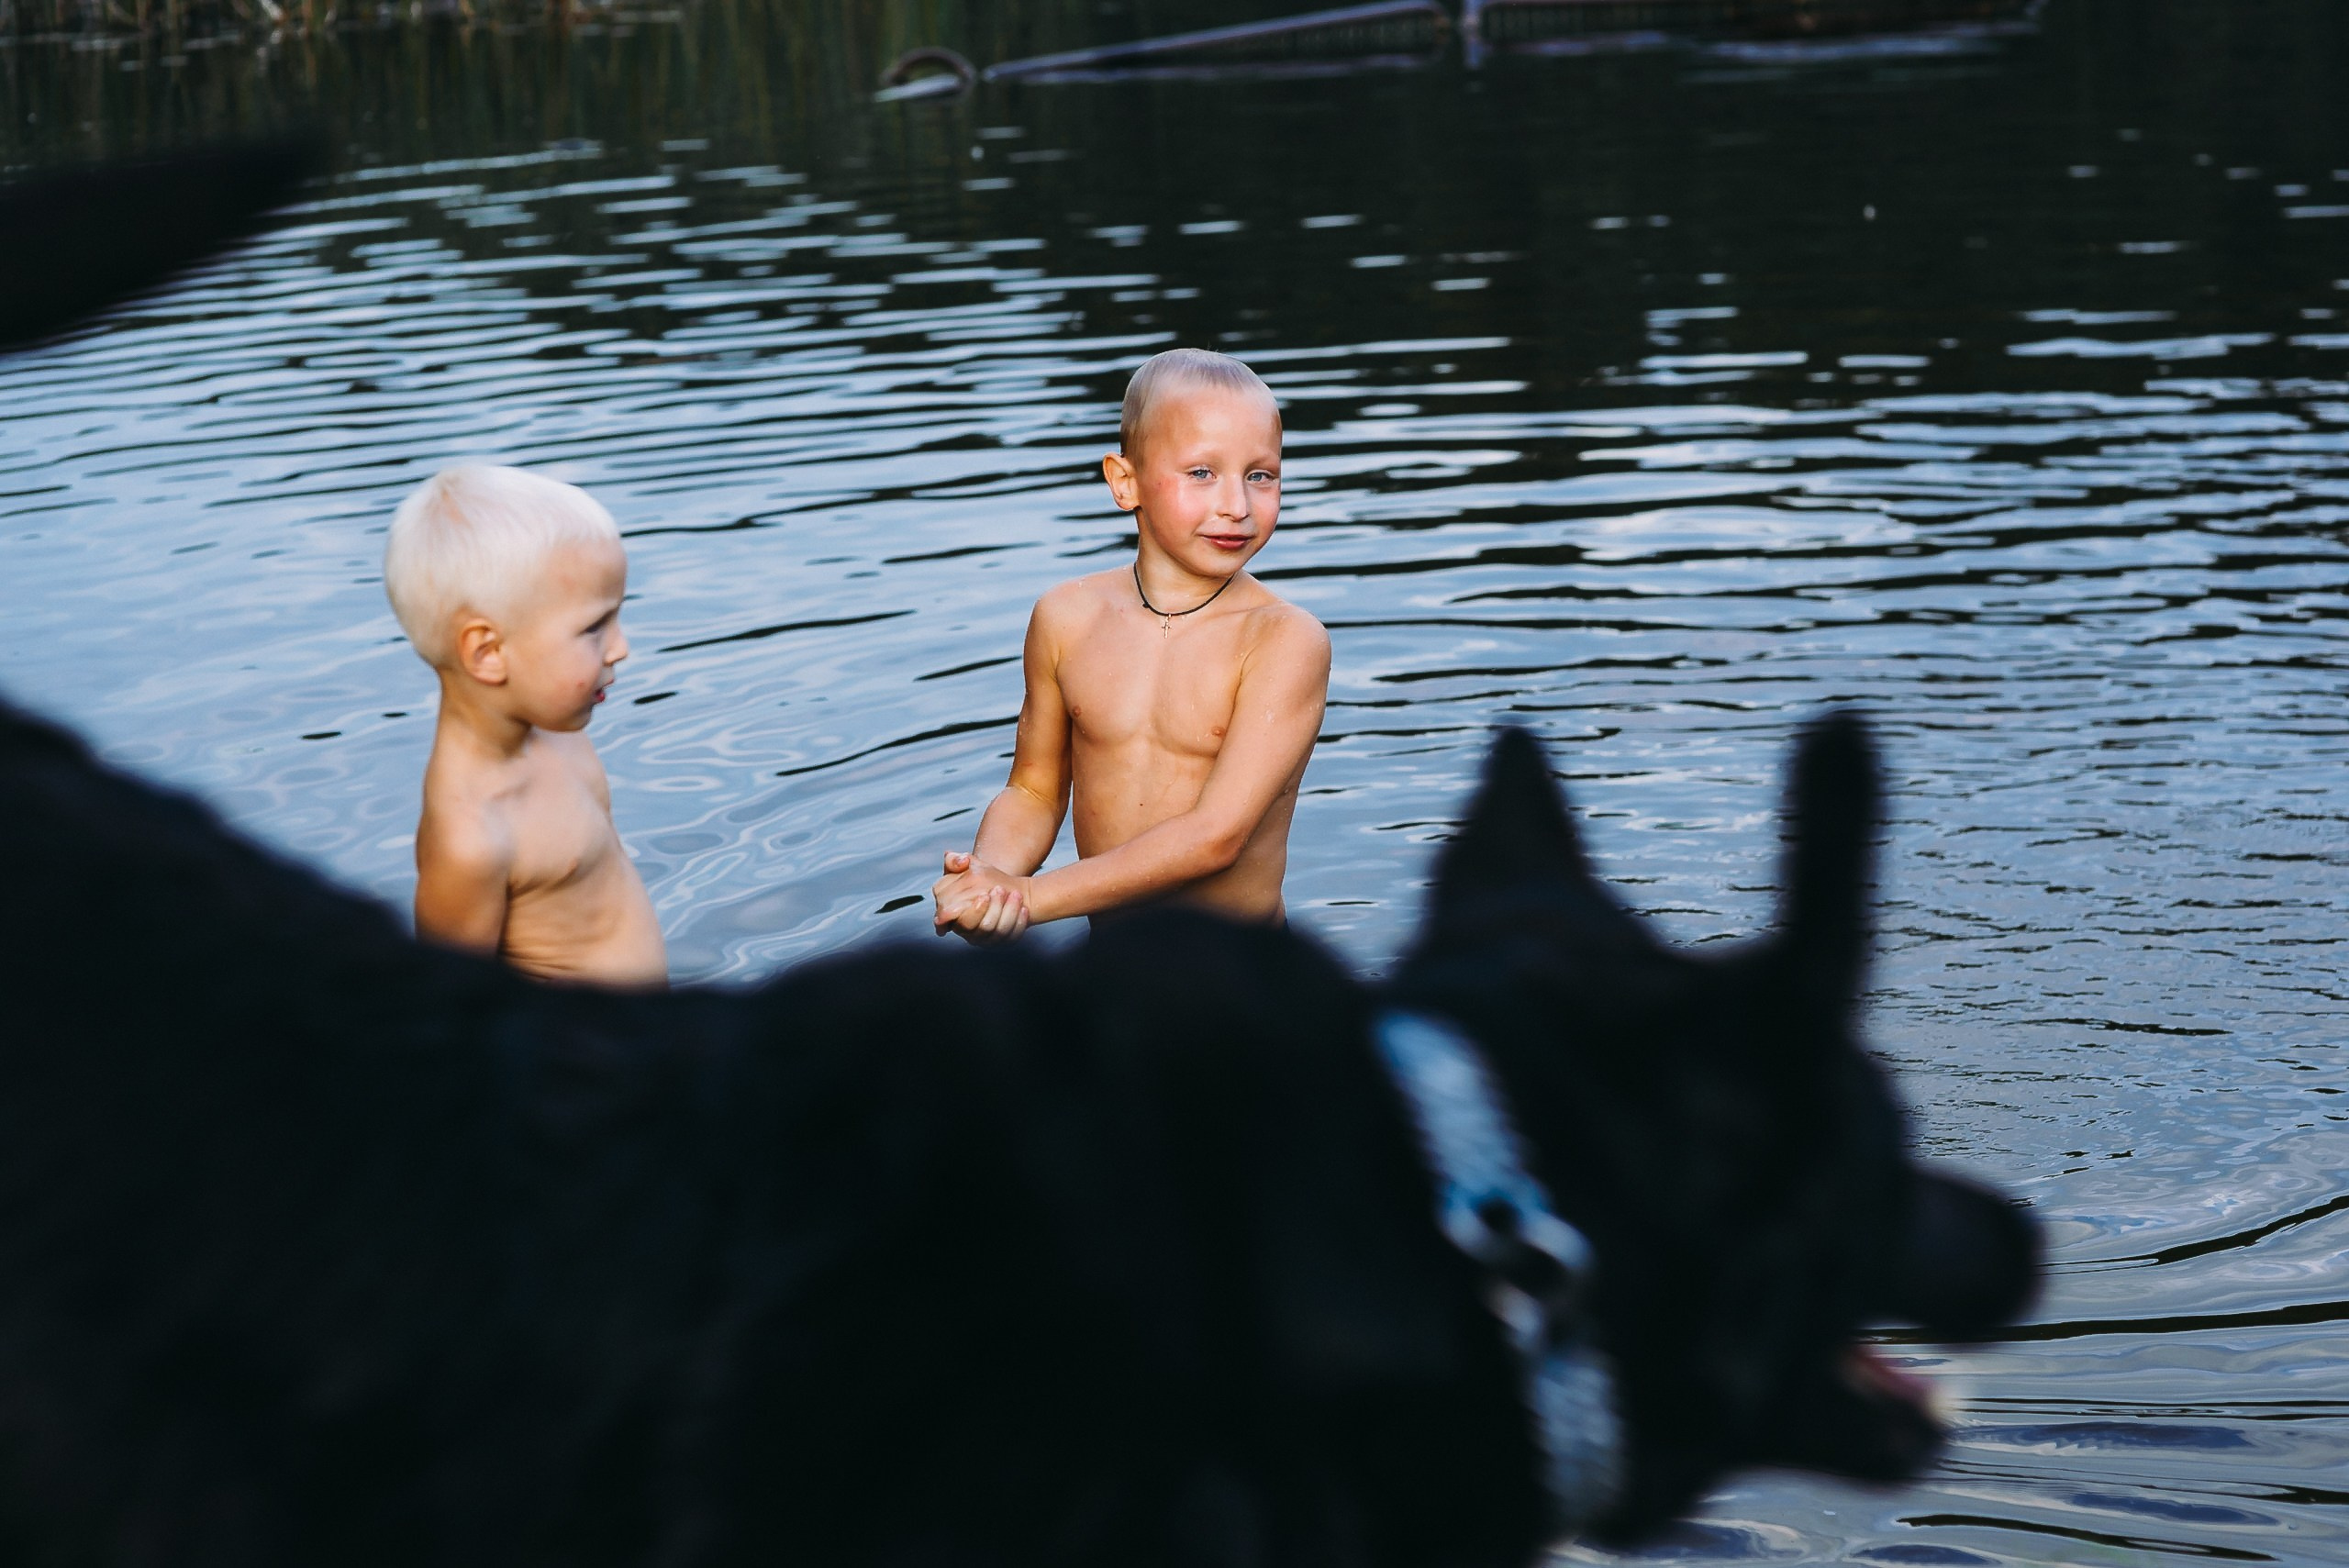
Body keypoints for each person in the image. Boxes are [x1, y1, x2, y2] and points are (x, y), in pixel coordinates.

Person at [932, 348, 1330, 944]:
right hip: (1112, 970)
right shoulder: (1066, 618)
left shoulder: (1283, 639)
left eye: (1260, 474)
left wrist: (1033, 896)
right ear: (1125, 482)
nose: (1237, 505)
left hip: (1239, 983)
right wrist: (993, 880)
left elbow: (1216, 835)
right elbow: (1033, 790)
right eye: (1202, 472)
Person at [383, 464, 667, 986]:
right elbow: (448, 1010)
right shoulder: (473, 837)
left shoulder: (558, 734)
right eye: (594, 628)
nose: (622, 648)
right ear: (489, 653)